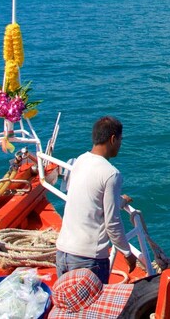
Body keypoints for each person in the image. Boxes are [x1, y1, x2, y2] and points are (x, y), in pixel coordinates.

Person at [55, 115, 137, 283]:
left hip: (63, 252)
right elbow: (112, 223)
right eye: (120, 139)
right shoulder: (111, 174)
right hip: (88, 259)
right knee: (91, 308)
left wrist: (119, 201)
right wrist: (127, 253)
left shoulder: (80, 161)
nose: (121, 144)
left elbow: (88, 198)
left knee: (67, 308)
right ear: (113, 139)